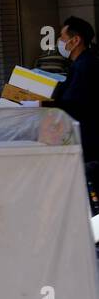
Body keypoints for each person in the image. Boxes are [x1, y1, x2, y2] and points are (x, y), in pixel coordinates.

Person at [48, 17, 99, 206]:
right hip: (86, 140)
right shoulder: (84, 64)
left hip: (87, 142)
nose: (60, 42)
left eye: (62, 37)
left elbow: (73, 104)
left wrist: (43, 105)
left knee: (87, 196)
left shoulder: (84, 67)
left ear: (75, 40)